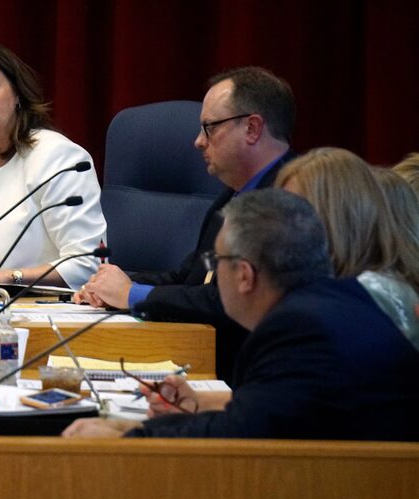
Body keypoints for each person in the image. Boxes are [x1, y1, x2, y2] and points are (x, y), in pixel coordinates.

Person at [63, 189, 419, 440]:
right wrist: (201, 400)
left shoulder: (297, 329)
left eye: (217, 263)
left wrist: (130, 434)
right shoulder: (338, 302)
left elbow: (238, 433)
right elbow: (281, 408)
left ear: (245, 275)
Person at [75, 66, 296, 381]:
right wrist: (114, 284)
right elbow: (190, 276)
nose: (198, 142)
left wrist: (134, 295)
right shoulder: (233, 196)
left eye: (209, 127)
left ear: (252, 128)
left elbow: (229, 300)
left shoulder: (289, 199)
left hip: (253, 378)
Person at [0, 42, 106, 290]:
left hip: (43, 309)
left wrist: (7, 277)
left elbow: (87, 262)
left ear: (17, 92)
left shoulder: (59, 158)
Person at [276, 148, 418, 349]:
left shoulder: (370, 292)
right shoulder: (348, 287)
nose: (282, 227)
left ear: (336, 218)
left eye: (297, 213)